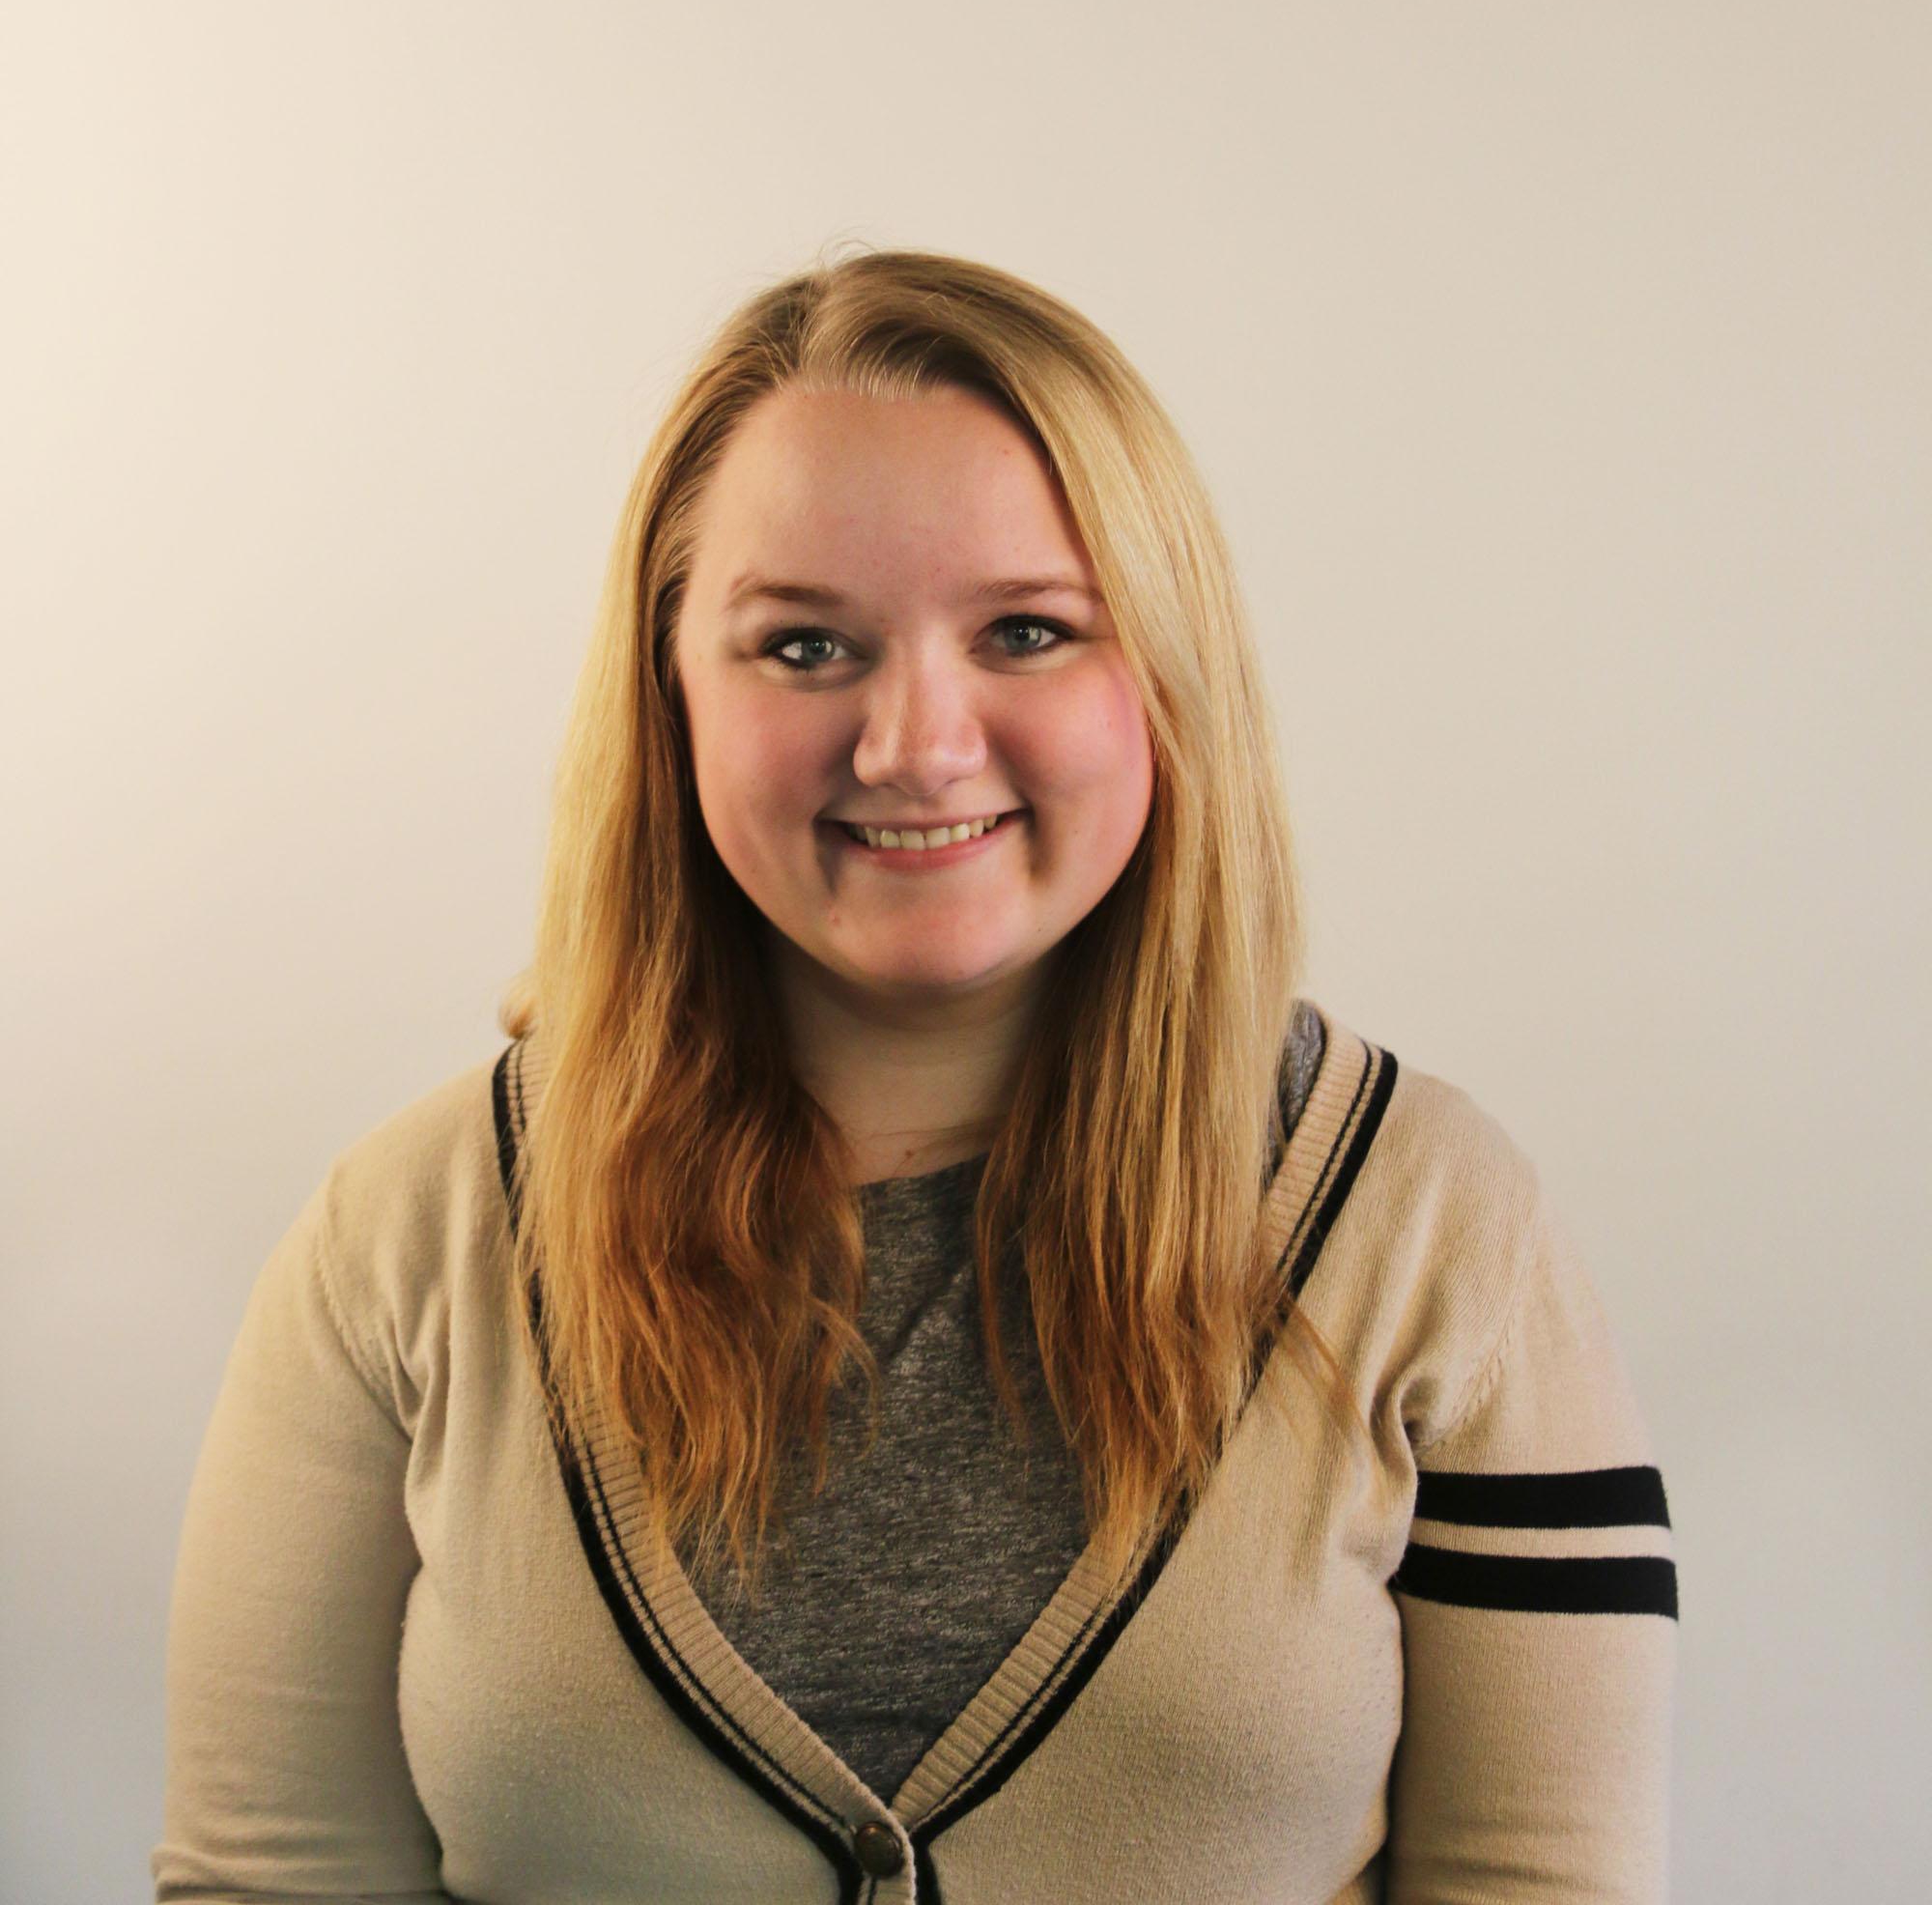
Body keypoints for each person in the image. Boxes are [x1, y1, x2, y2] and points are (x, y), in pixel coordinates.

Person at [154, 246, 1678, 1903]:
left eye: (1027, 631)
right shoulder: (399, 1244)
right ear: (670, 691)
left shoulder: (1437, 1228)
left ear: (1168, 678)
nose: (917, 747)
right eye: (805, 647)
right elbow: (262, 1886)